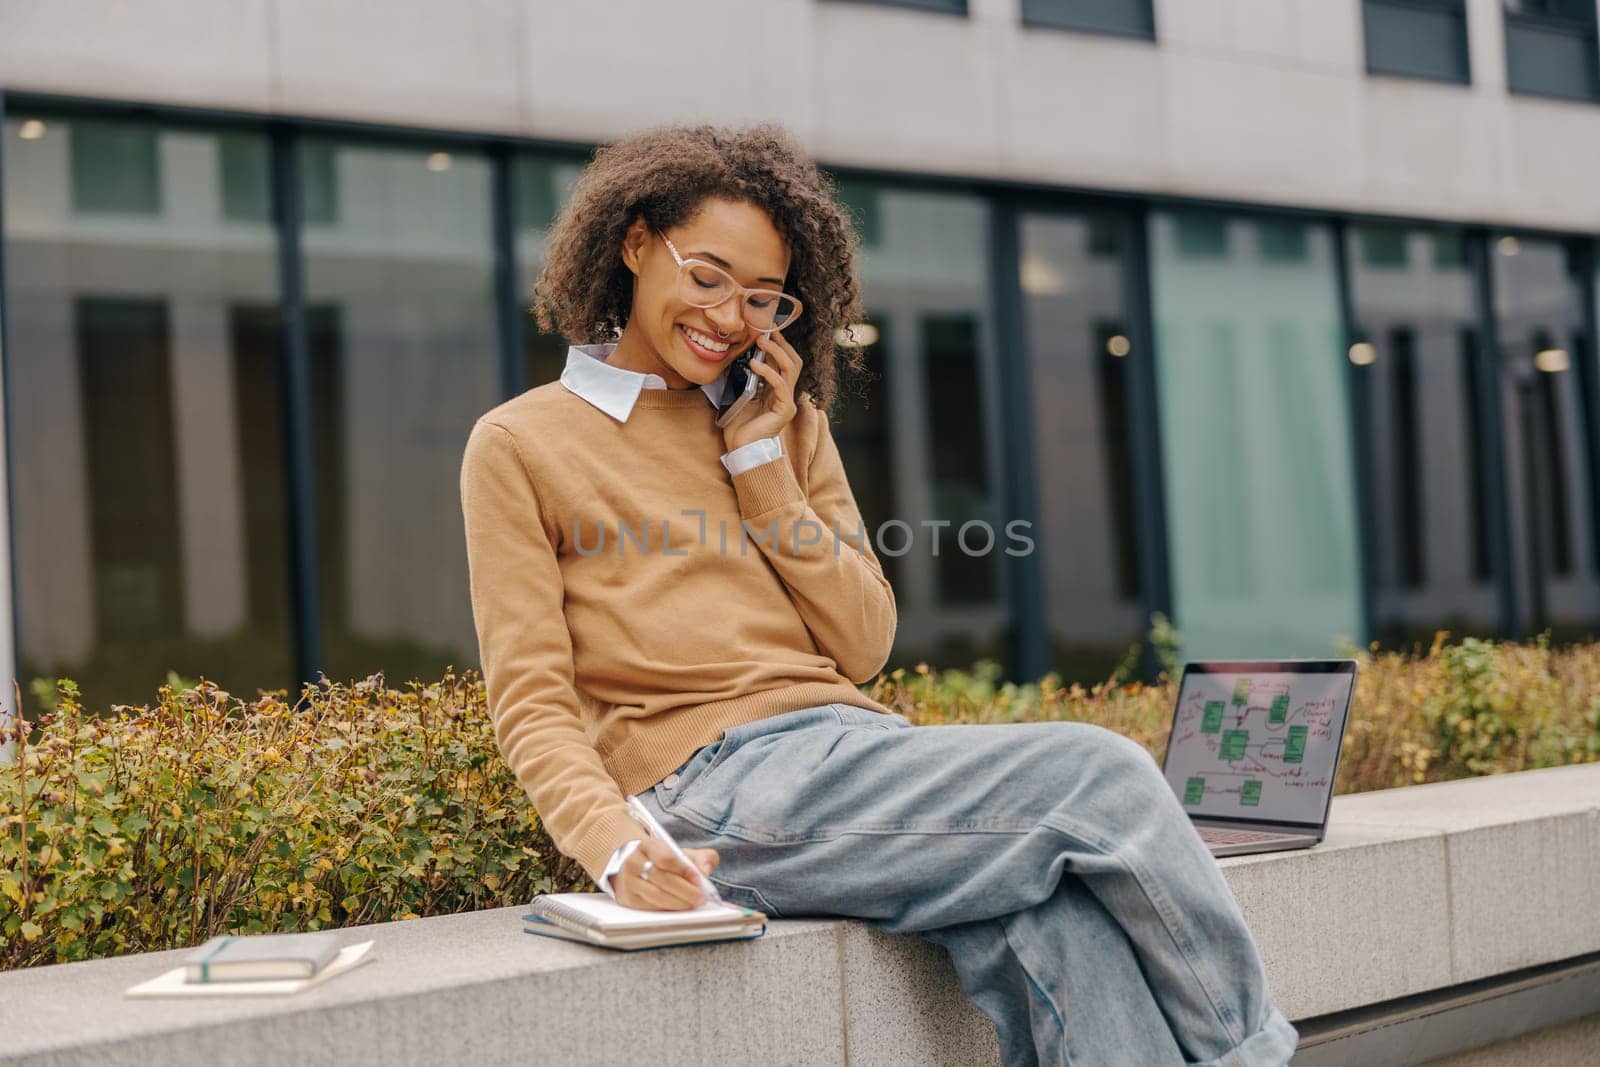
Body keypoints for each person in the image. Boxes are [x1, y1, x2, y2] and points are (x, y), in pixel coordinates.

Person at [459, 123, 1297, 1066]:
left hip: (849, 750)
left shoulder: (782, 424)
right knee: (1104, 776)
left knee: (1064, 914)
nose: (731, 316)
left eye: (763, 297)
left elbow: (862, 644)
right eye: (707, 277)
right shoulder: (520, 443)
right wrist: (616, 849)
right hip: (707, 784)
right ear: (638, 242)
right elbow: (530, 701)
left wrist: (759, 462)